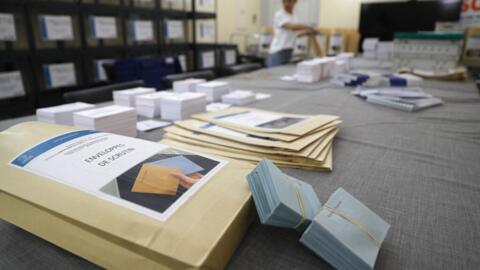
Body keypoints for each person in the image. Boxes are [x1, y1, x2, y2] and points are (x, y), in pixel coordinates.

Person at [266, 0, 317, 67]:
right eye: (285, 1)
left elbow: (295, 34)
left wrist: (308, 33)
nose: (286, 4)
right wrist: (308, 27)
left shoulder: (294, 17)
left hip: (288, 51)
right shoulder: (279, 14)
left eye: (290, 1)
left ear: (295, 2)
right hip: (278, 52)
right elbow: (291, 27)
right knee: (275, 75)